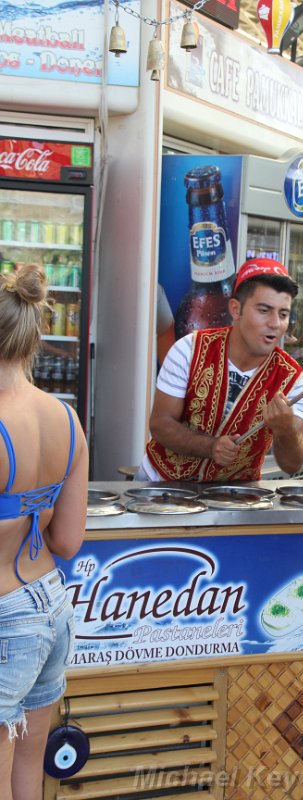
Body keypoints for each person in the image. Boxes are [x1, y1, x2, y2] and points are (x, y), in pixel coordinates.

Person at [0, 265, 88, 800]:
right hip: (50, 606)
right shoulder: (65, 419)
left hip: (6, 614)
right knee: (28, 766)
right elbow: (67, 542)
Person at [138, 258, 303, 482]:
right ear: (235, 309)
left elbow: (292, 465)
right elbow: (160, 424)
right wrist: (210, 446)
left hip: (232, 497)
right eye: (264, 310)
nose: (275, 323)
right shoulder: (190, 350)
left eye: (283, 314)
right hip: (161, 484)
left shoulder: (294, 380)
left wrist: (285, 429)